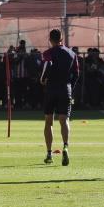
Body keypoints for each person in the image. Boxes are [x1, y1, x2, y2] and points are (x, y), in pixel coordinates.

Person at [39, 29, 79, 166]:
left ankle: (49, 154)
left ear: (50, 39)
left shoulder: (48, 53)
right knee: (64, 120)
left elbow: (47, 65)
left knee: (48, 122)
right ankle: (66, 146)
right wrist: (70, 88)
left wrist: (43, 79)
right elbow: (76, 74)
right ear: (62, 38)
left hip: (51, 89)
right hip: (65, 89)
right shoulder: (72, 54)